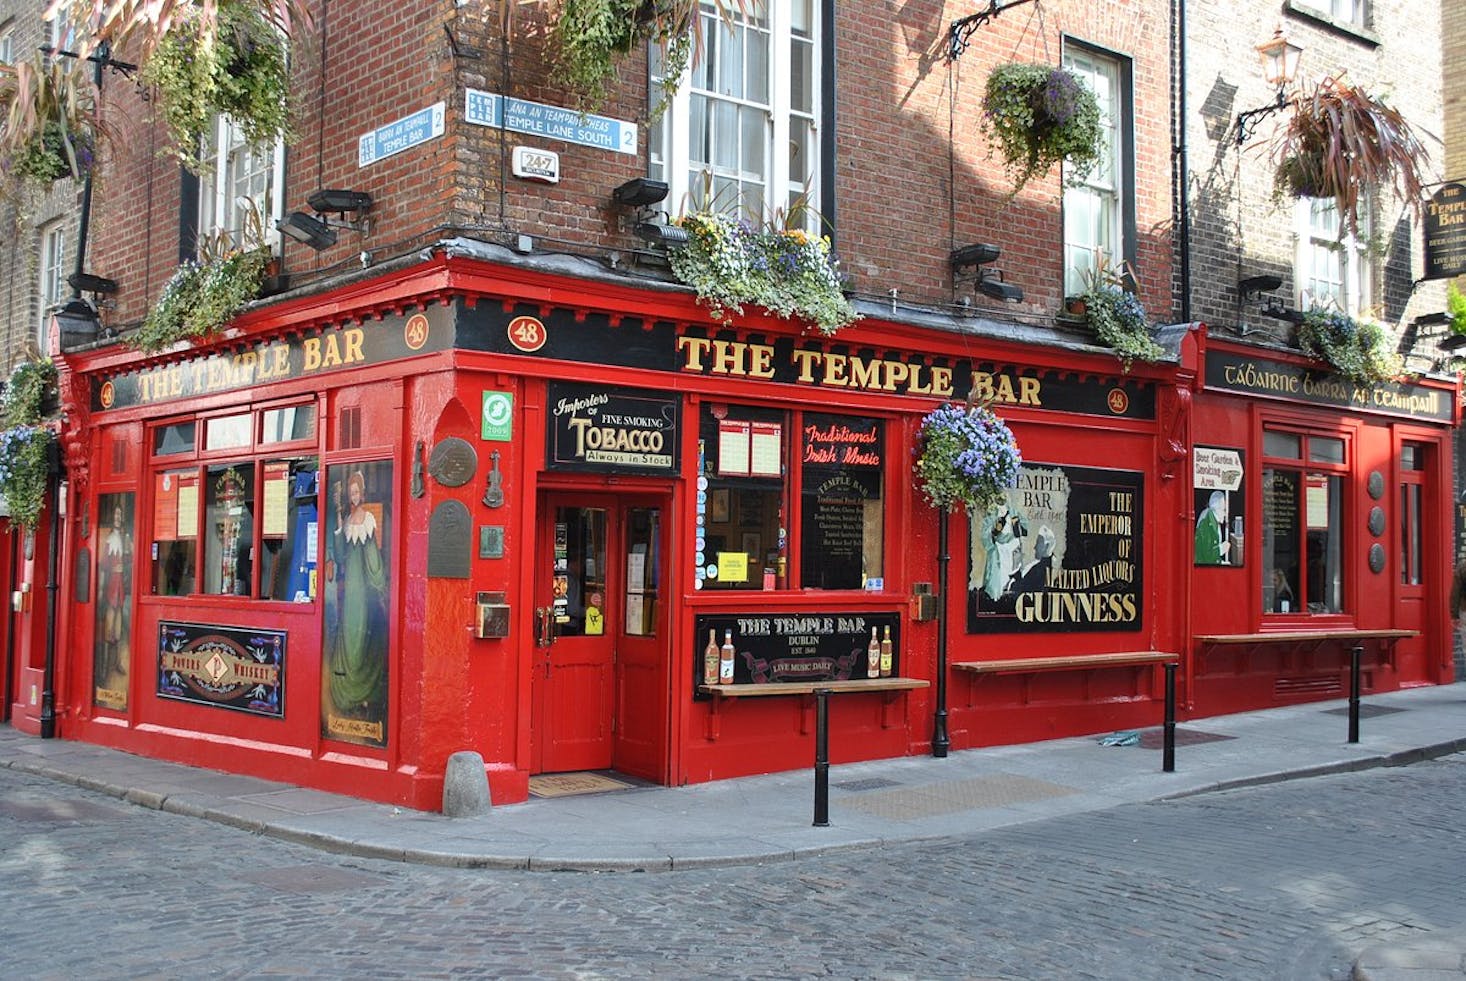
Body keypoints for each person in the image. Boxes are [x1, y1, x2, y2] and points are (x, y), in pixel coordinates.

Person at [327, 470, 388, 717]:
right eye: (350, 493)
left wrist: (379, 583)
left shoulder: (369, 519)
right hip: (349, 588)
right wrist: (340, 521)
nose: (353, 496)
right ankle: (349, 689)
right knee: (349, 631)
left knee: (361, 633)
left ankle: (364, 691)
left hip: (362, 590)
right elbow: (340, 557)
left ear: (362, 493)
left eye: (356, 492)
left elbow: (373, 557)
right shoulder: (349, 521)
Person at [980, 504, 1027, 602]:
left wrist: (1017, 524)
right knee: (997, 584)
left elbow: (1025, 529)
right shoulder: (991, 513)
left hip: (1013, 552)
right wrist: (995, 531)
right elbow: (985, 538)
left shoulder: (1014, 510)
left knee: (1013, 583)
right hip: (999, 553)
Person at [1194, 490, 1230, 565]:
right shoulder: (1206, 523)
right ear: (1217, 509)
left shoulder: (1212, 518)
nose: (1225, 514)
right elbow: (1207, 555)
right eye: (1224, 510)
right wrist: (1221, 549)